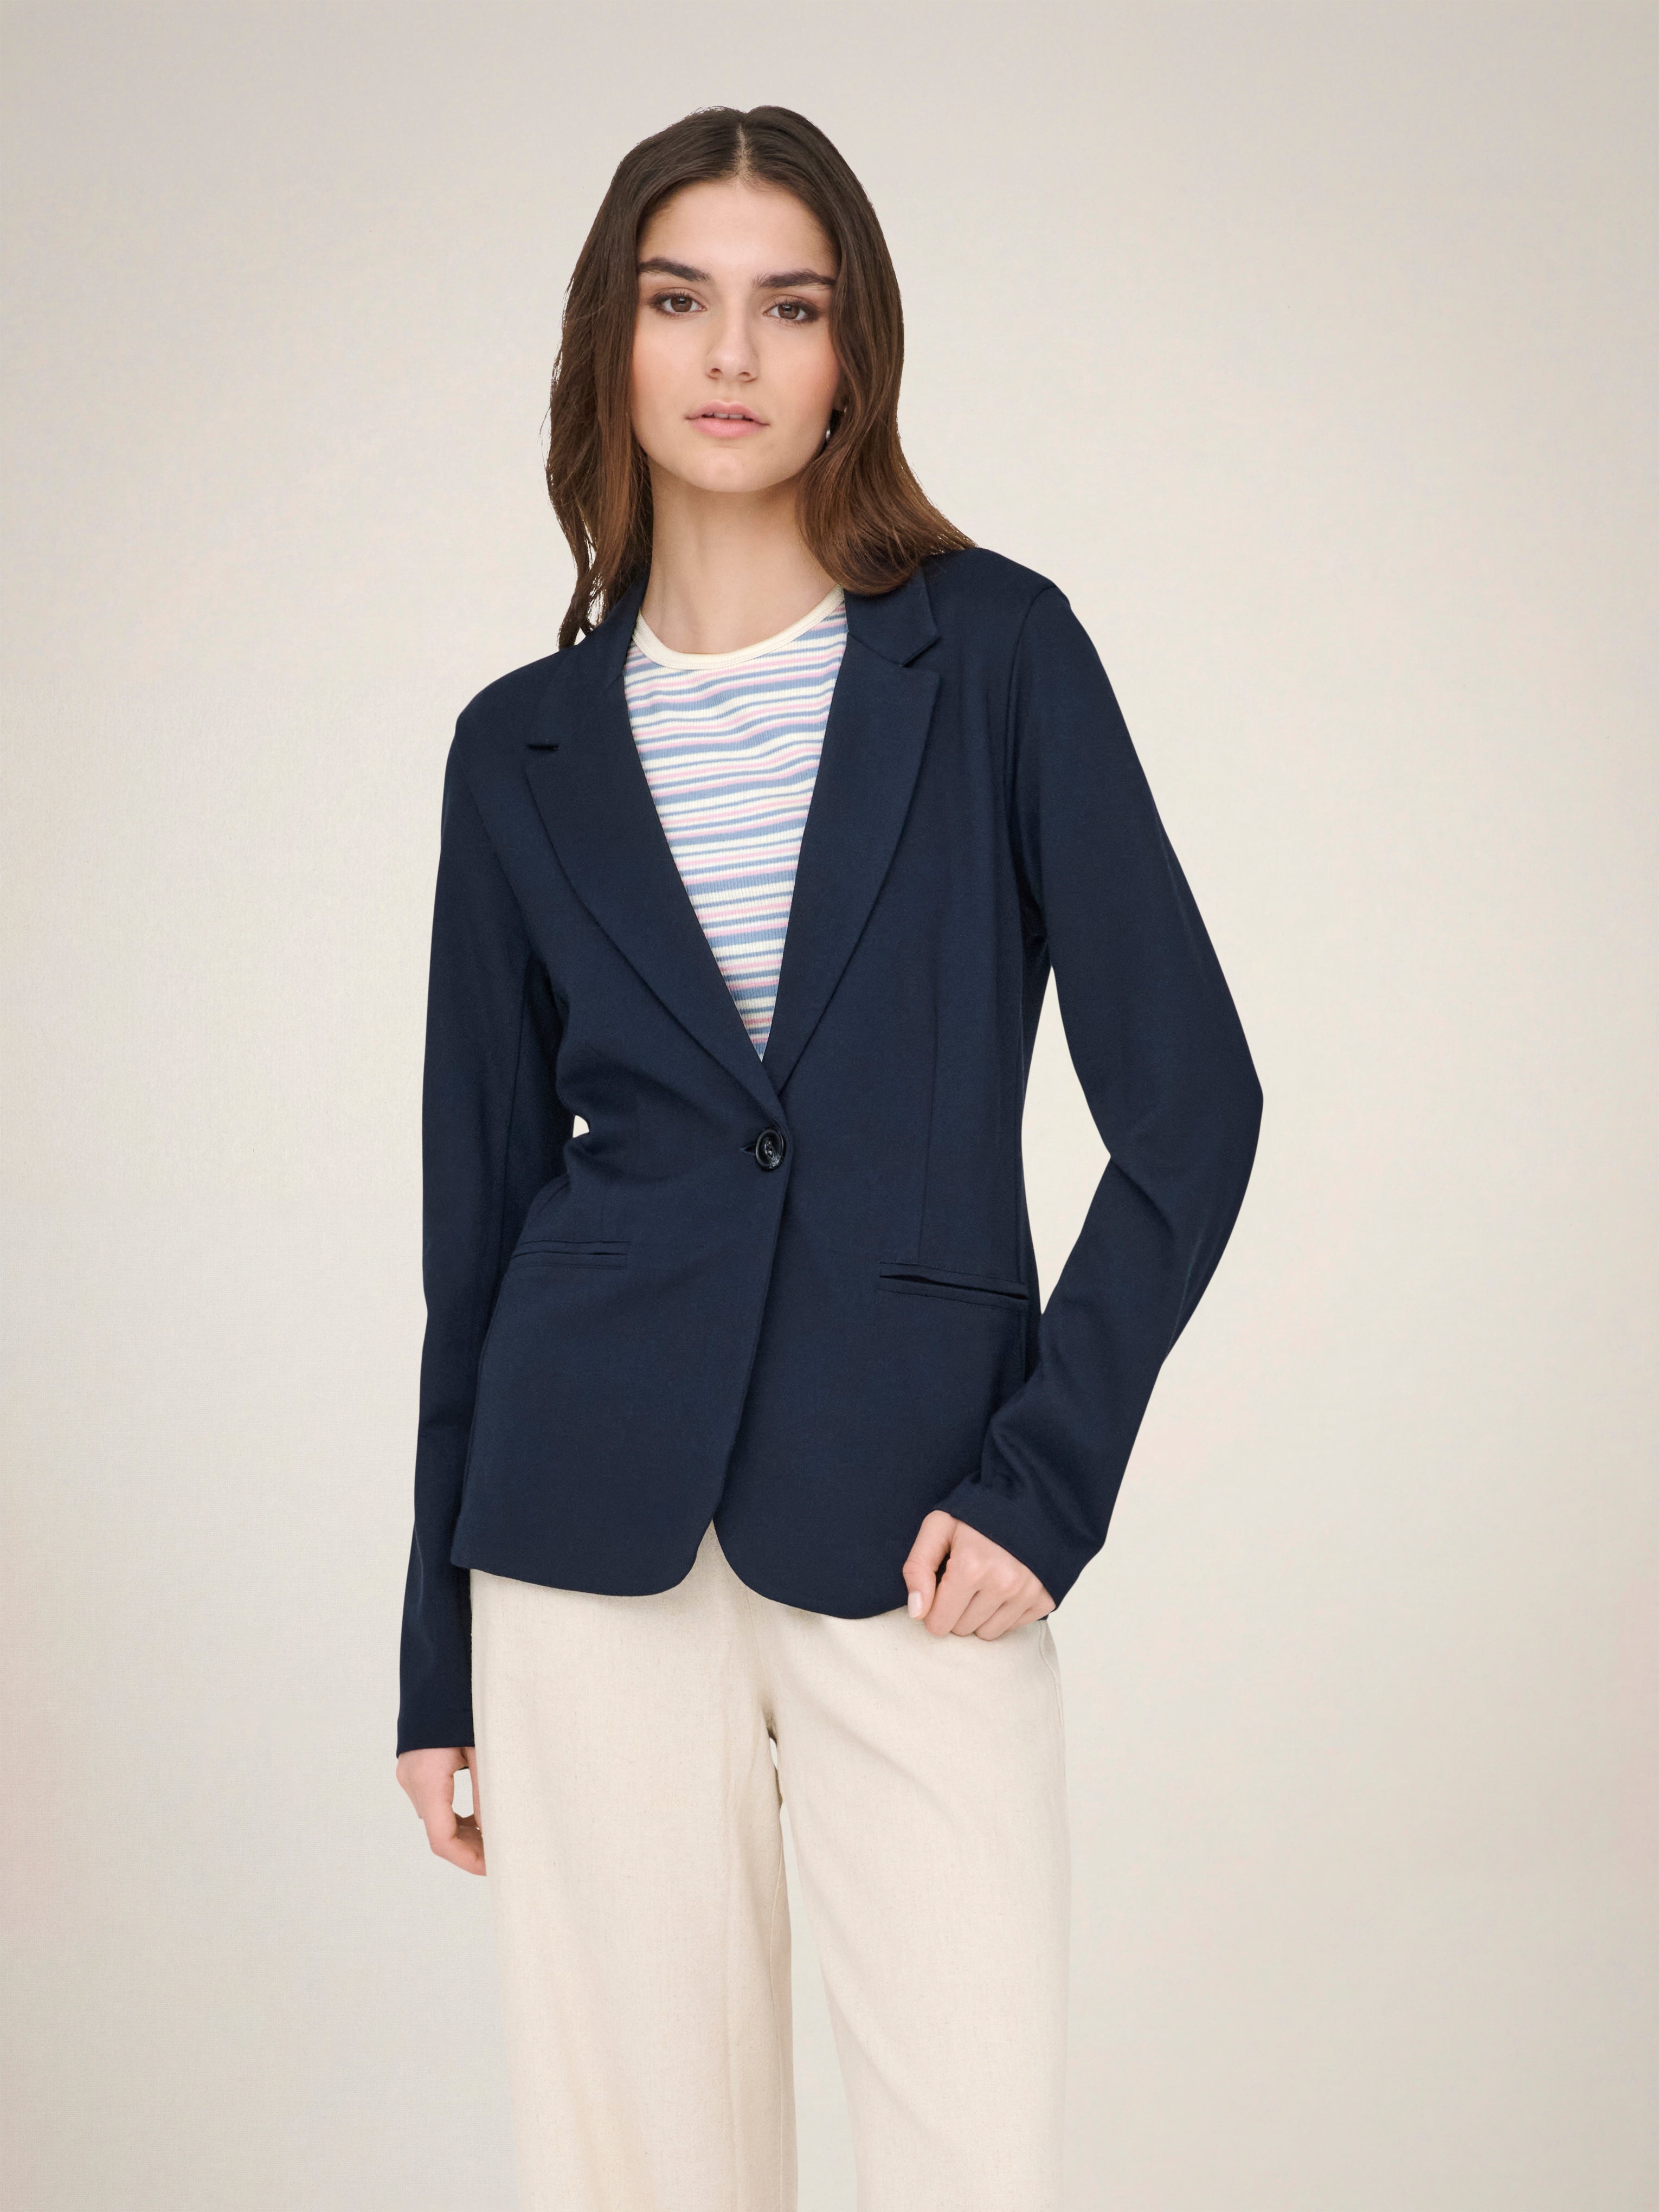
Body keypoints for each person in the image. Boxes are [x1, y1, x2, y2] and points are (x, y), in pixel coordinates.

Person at [394, 102, 1262, 2212]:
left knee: (972, 2149)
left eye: (789, 307)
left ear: (853, 353)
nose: (731, 355)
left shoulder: (999, 658)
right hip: (580, 1532)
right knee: (637, 2171)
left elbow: (1192, 1105)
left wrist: (1047, 1484)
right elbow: (473, 1221)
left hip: (920, 1520)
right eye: (679, 301)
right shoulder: (516, 748)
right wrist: (434, 1655)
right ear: (611, 341)